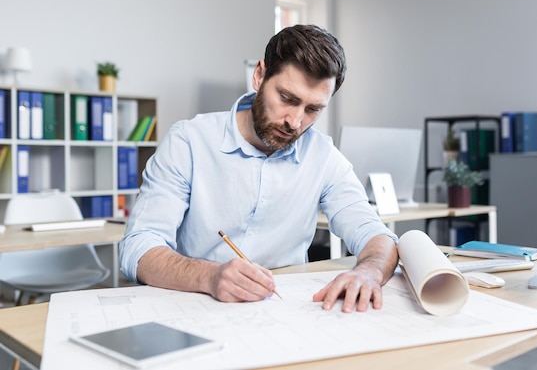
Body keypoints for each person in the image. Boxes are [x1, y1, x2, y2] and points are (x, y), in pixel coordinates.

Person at [119, 24, 398, 313]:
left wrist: (369, 272)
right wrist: (209, 276)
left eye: (313, 109)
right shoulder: (189, 141)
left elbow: (376, 235)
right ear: (259, 75)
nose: (295, 121)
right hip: (197, 307)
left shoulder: (323, 155)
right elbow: (138, 247)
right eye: (287, 99)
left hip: (284, 312)